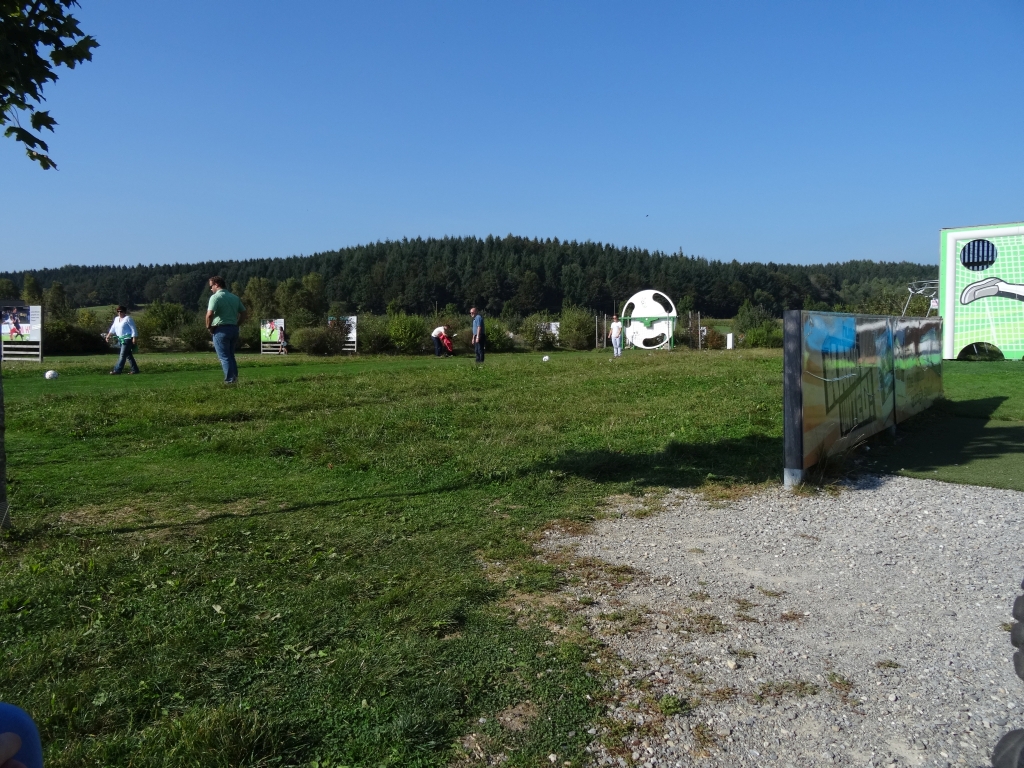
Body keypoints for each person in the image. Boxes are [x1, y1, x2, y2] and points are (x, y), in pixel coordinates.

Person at [205, 276, 248, 383]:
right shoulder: (234, 297)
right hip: (233, 329)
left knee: (224, 357)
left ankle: (230, 381)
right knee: (231, 356)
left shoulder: (215, 297)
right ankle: (234, 379)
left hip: (221, 329)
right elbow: (244, 313)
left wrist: (209, 327)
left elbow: (209, 315)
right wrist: (237, 324)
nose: (211, 289)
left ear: (216, 284)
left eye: (211, 286)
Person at [105, 306, 139, 374]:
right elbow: (113, 328)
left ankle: (117, 370)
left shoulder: (128, 319)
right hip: (120, 339)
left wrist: (134, 338)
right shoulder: (116, 319)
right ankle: (135, 370)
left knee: (122, 355)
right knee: (128, 355)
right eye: (118, 311)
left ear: (124, 312)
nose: (119, 313)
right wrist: (108, 335)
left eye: (121, 311)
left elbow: (133, 329)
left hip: (127, 339)